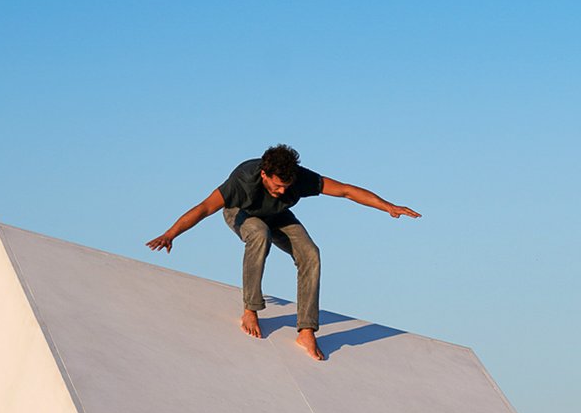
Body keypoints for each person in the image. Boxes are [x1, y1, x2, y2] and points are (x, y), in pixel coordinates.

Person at [147, 144, 419, 360]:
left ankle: (307, 330)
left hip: (277, 216)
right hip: (242, 214)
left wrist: (388, 207)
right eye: (276, 185)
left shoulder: (299, 180)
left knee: (310, 253)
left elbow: (346, 191)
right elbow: (205, 207)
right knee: (259, 234)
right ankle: (251, 309)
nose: (281, 191)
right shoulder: (242, 179)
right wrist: (171, 234)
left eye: (286, 187)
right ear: (264, 174)